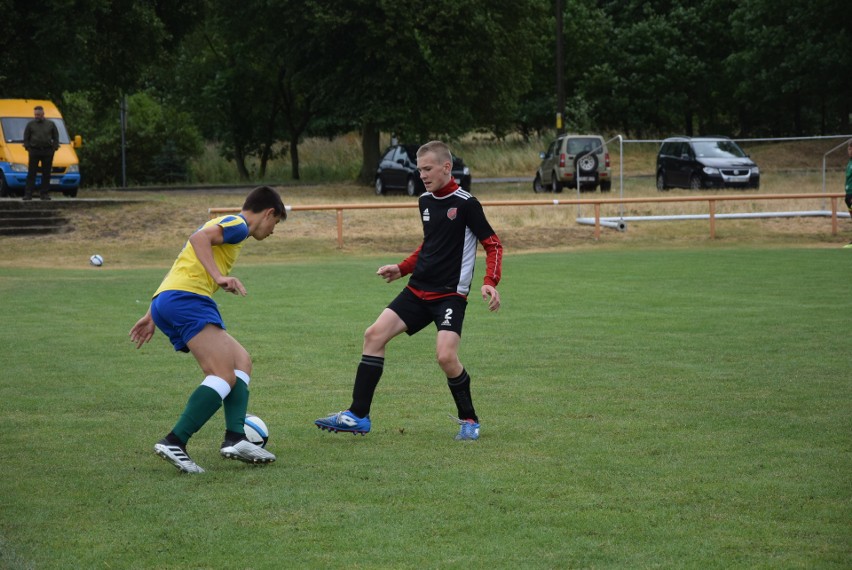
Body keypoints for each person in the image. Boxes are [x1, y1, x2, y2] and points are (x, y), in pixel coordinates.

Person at [314, 140, 503, 441]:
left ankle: (469, 420)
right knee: (373, 335)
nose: (423, 175)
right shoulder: (425, 201)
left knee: (445, 357)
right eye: (419, 170)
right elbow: (430, 244)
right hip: (418, 290)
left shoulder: (467, 203)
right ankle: (358, 416)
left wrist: (489, 282)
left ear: (446, 166)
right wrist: (401, 268)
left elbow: (493, 244)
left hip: (450, 295)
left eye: (428, 169)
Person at [129, 186, 286, 473]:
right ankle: (175, 440)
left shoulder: (228, 225)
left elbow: (182, 263)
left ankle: (235, 437)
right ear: (268, 213)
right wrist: (219, 276)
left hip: (172, 298)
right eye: (275, 224)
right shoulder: (238, 225)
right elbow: (197, 239)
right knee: (223, 374)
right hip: (188, 299)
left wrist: (152, 312)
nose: (272, 231)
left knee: (241, 361)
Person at [23, 105, 60, 201]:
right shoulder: (30, 124)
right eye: (35, 114)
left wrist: (54, 148)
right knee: (31, 173)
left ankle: (44, 194)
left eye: (38, 114)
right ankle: (28, 194)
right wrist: (28, 147)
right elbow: (26, 137)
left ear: (43, 114)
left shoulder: (50, 124)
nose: (37, 116)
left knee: (46, 173)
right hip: (34, 151)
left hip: (47, 151)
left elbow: (56, 136)